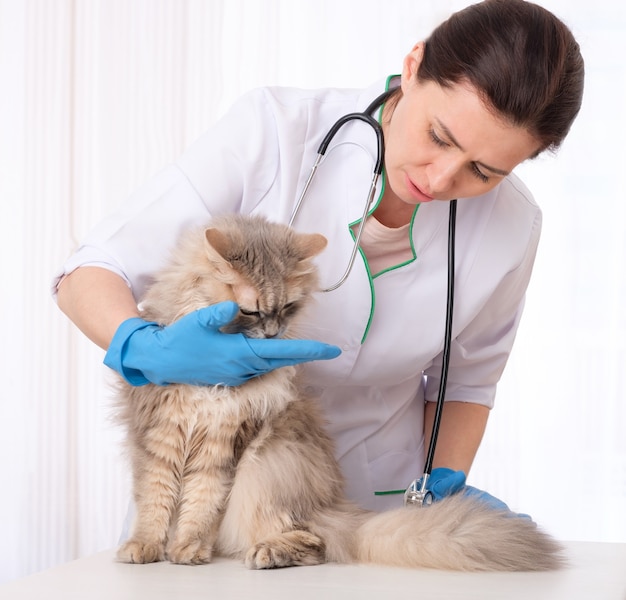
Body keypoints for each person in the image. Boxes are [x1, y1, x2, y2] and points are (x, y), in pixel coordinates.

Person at [53, 0, 584, 513]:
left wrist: (442, 487)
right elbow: (92, 270)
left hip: (377, 506)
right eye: (437, 136)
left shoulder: (513, 225)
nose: (441, 178)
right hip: (210, 488)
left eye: (484, 172)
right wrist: (144, 348)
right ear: (413, 66)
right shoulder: (277, 131)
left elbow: (467, 379)